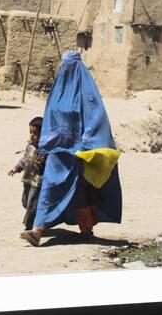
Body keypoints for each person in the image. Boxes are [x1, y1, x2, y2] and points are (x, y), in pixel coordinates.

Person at [20, 50, 122, 247]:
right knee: (50, 188)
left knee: (80, 194)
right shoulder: (58, 91)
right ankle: (37, 230)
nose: (66, 70)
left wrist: (85, 143)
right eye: (64, 65)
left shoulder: (87, 94)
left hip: (78, 154)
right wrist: (45, 145)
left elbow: (97, 117)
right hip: (58, 152)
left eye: (70, 66)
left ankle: (86, 228)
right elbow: (50, 120)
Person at [8, 117, 46, 230]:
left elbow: (49, 163)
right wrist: (16, 168)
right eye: (30, 133)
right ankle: (35, 219)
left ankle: (30, 226)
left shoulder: (44, 150)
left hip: (37, 181)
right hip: (27, 179)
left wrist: (43, 160)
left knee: (32, 204)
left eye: (35, 133)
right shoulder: (30, 146)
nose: (32, 136)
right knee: (25, 202)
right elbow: (24, 160)